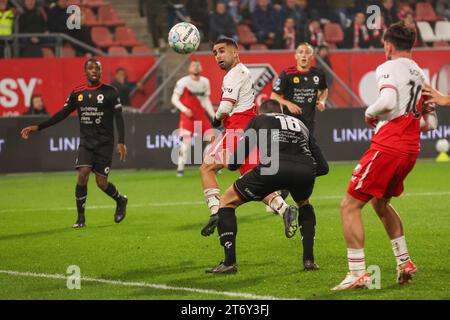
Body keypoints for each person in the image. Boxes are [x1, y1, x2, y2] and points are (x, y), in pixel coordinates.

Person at [332, 21, 438, 291]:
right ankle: (404, 262)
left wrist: (370, 112)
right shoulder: (419, 74)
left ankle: (357, 273)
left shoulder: (388, 67)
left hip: (389, 146)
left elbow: (388, 102)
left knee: (349, 205)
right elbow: (431, 123)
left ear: (388, 45)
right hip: (410, 149)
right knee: (380, 204)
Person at [206, 99, 328, 273]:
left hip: (272, 168)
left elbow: (235, 163)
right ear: (281, 111)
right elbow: (323, 168)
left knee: (226, 202)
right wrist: (300, 172)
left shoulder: (258, 120)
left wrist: (226, 160)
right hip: (305, 170)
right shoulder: (300, 124)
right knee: (304, 203)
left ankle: (229, 263)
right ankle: (309, 261)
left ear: (261, 112)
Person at [200, 37, 295, 238]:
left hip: (237, 128)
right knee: (251, 180)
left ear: (236, 52)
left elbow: (225, 107)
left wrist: (215, 120)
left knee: (206, 168)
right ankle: (285, 209)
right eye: (215, 53)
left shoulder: (233, 74)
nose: (218, 56)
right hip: (250, 129)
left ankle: (215, 212)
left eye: (222, 50)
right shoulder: (244, 71)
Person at [20, 58, 129, 229]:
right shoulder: (78, 93)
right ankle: (80, 218)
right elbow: (62, 113)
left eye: (97, 68)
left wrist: (121, 141)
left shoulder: (110, 92)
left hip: (105, 144)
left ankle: (121, 200)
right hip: (87, 143)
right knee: (83, 173)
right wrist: (39, 127)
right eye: (90, 68)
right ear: (85, 72)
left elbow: (119, 117)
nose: (94, 71)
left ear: (100, 72)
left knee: (101, 183)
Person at [270, 42, 328, 270]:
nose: (304, 56)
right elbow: (274, 96)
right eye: (301, 53)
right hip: (289, 126)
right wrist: (289, 104)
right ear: (295, 56)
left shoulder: (317, 75)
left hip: (308, 127)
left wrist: (321, 100)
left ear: (312, 56)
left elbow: (324, 89)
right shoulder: (287, 74)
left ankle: (281, 196)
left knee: (300, 166)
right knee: (288, 162)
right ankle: (280, 196)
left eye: (307, 53)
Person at [171, 59, 215, 177]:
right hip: (188, 116)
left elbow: (206, 100)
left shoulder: (205, 82)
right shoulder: (183, 82)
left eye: (198, 65)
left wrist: (213, 115)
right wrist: (185, 109)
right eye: (193, 65)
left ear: (201, 68)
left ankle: (209, 165)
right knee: (186, 143)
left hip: (201, 115)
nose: (196, 67)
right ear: (189, 69)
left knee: (212, 139)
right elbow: (174, 99)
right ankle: (180, 169)